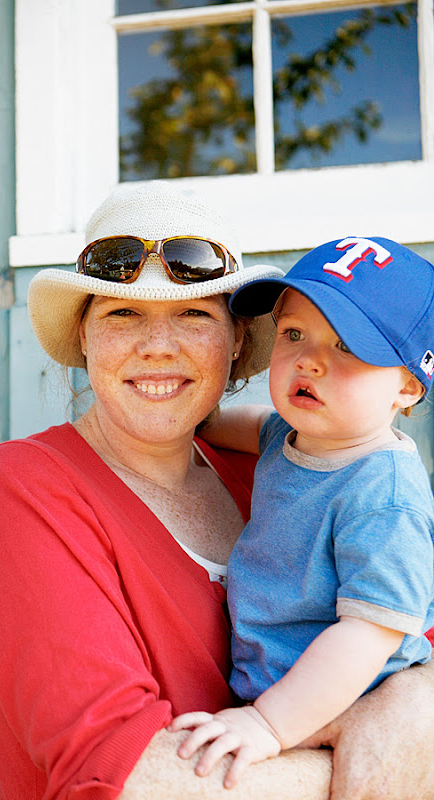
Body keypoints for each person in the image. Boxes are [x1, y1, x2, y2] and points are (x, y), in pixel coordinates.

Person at [0, 185, 434, 800]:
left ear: (236, 340)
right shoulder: (26, 486)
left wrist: (413, 701)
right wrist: (380, 761)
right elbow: (120, 779)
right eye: (122, 313)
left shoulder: (284, 470)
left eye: (194, 314)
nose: (158, 347)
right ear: (83, 336)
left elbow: (402, 630)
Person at [171, 236, 434, 788]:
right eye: (293, 333)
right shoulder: (291, 436)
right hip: (276, 692)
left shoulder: (383, 496)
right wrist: (191, 416)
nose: (309, 359)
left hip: (349, 704)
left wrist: (270, 723)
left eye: (347, 346)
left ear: (408, 386)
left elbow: (369, 634)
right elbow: (250, 426)